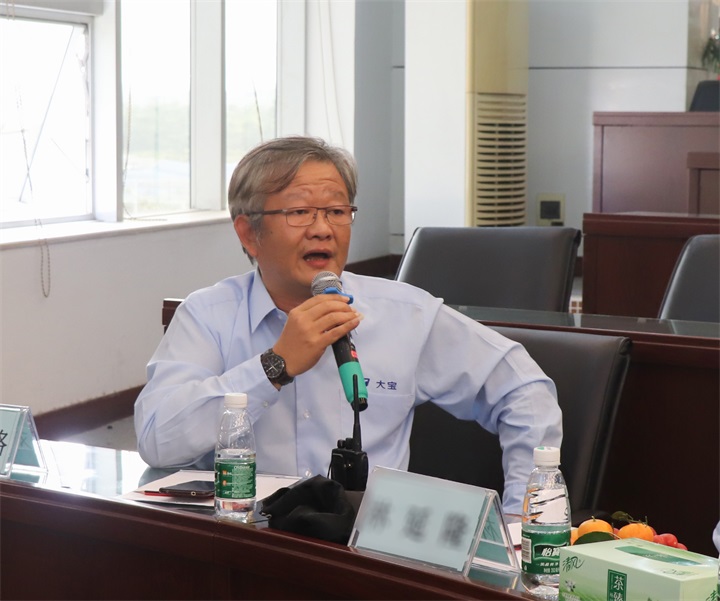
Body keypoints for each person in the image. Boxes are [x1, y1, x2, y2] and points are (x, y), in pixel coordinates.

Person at [134, 135, 562, 513]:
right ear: (249, 233)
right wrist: (274, 366)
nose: (323, 229)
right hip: (249, 542)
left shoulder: (405, 314)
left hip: (366, 553)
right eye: (300, 212)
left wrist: (520, 517)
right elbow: (157, 440)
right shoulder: (208, 315)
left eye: (337, 211)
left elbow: (524, 390)